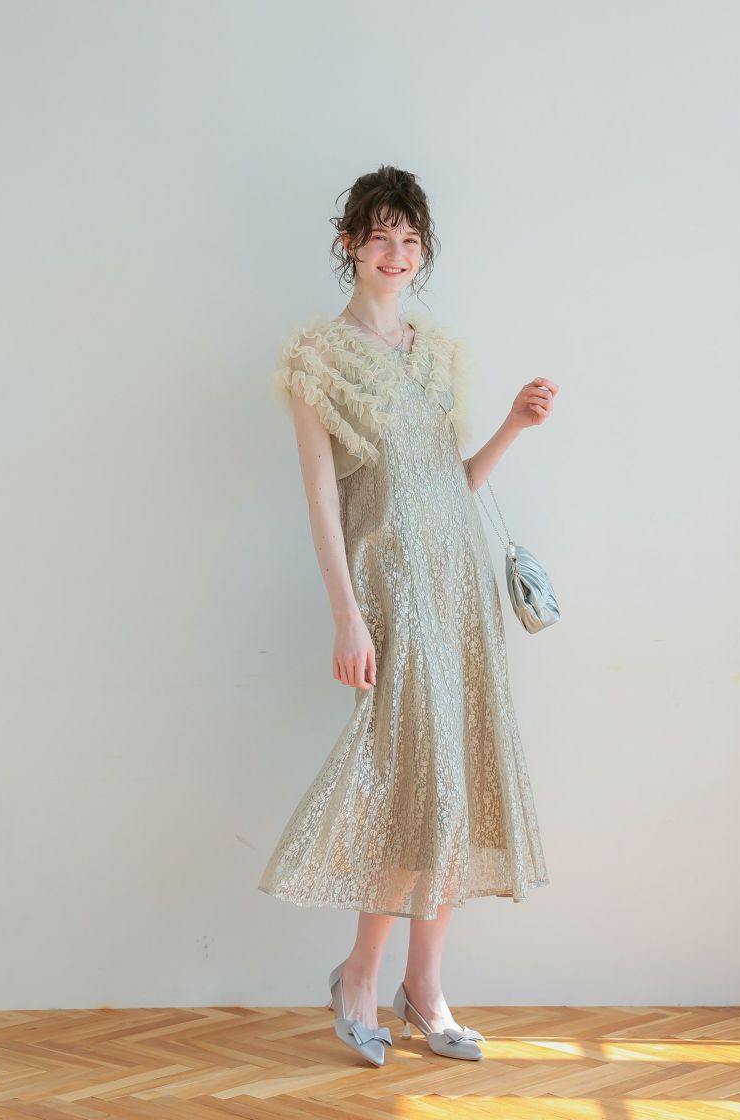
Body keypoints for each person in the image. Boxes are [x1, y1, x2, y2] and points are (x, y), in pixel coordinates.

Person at [259, 164, 558, 1067]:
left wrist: (511, 426)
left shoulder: (437, 353)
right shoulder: (317, 358)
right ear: (349, 242)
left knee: (454, 782)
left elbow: (448, 485)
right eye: (381, 236)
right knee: (407, 782)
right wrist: (346, 615)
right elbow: (322, 499)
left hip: (460, 589)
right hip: (389, 591)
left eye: (410, 239)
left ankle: (423, 988)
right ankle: (360, 976)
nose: (396, 253)